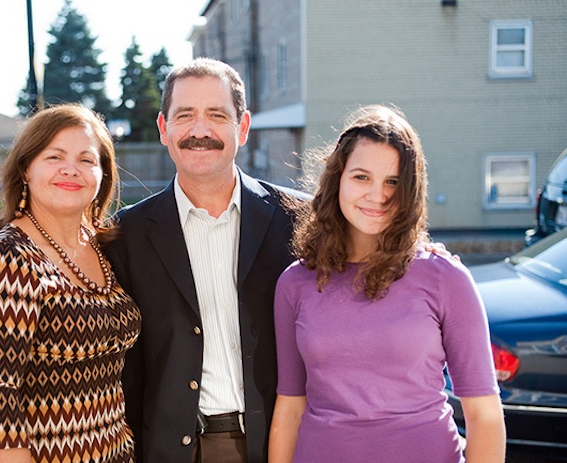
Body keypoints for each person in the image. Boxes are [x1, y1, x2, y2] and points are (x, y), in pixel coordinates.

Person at [268, 105, 506, 463]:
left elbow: (484, 416)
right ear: (338, 180)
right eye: (361, 177)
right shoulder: (295, 283)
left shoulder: (447, 279)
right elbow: (289, 409)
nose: (378, 195)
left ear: (410, 190)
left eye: (393, 181)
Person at [102, 58, 308, 463]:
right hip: (173, 450)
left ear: (242, 127)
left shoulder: (300, 219)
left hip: (281, 445)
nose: (200, 130)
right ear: (164, 129)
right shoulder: (125, 235)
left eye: (216, 115)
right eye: (185, 116)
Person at [0, 103, 141, 463]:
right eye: (54, 156)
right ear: (25, 169)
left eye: (87, 160)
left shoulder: (105, 250)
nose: (71, 169)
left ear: (103, 175)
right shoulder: (6, 261)